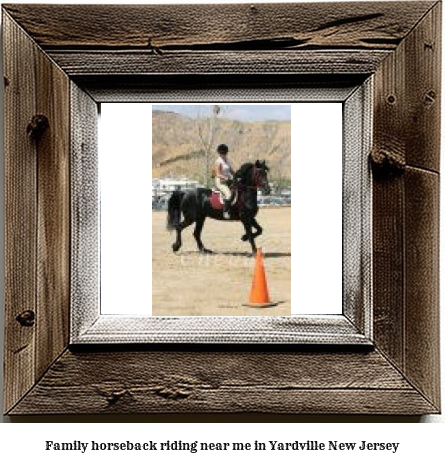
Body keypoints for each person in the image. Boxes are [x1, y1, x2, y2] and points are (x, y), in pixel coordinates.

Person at [214, 144, 235, 219]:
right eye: (222, 153)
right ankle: (225, 211)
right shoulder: (218, 162)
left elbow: (231, 170)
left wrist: (237, 176)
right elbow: (217, 174)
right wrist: (225, 177)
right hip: (220, 181)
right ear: (219, 153)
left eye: (225, 153)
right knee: (229, 195)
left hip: (228, 180)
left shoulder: (227, 160)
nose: (224, 155)